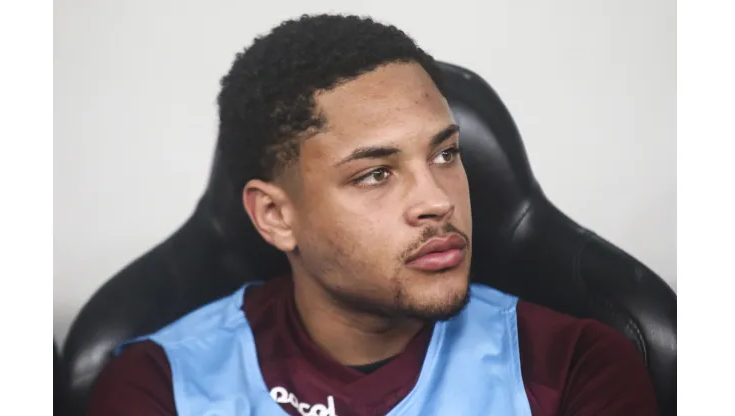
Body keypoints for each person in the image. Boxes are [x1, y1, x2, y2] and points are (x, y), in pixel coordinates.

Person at [87, 14, 658, 416]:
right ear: (275, 216)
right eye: (375, 173)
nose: (438, 200)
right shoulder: (161, 387)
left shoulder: (576, 367)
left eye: (445, 154)